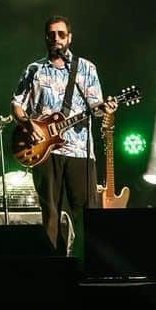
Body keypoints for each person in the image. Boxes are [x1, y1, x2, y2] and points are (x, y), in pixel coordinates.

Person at [11, 15, 117, 252]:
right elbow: (17, 104)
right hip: (44, 151)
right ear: (46, 38)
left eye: (61, 34)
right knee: (50, 213)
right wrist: (28, 125)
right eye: (51, 34)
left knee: (87, 213)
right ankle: (53, 270)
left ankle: (87, 264)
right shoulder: (34, 69)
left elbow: (96, 107)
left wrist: (106, 107)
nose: (56, 39)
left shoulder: (86, 68)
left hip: (80, 150)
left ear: (69, 37)